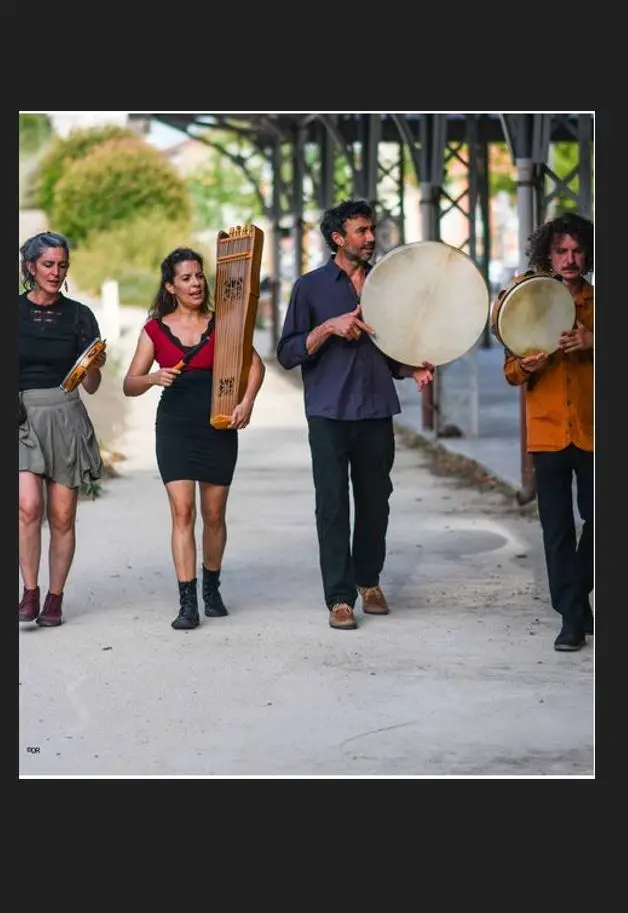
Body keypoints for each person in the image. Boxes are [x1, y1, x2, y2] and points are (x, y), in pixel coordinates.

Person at [276, 199, 434, 630]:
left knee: (375, 502)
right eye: (361, 231)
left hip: (377, 409)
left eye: (371, 230)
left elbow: (390, 352)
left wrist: (412, 369)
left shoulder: (387, 286)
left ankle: (369, 581)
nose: (370, 238)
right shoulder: (310, 287)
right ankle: (340, 598)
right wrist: (329, 327)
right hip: (327, 412)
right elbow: (287, 352)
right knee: (332, 505)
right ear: (337, 238)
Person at [122, 247, 266, 630]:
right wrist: (153, 377)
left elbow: (256, 365)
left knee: (214, 515)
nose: (196, 283)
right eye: (186, 278)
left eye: (199, 275)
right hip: (175, 426)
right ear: (171, 286)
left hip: (217, 422)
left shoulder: (225, 324)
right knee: (183, 512)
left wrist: (247, 402)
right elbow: (129, 384)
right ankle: (187, 602)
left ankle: (212, 586)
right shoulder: (154, 329)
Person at [498, 212, 593, 652]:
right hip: (548, 433)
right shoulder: (528, 303)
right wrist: (525, 364)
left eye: (577, 250)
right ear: (548, 256)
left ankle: (576, 594)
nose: (570, 259)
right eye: (561, 251)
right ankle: (571, 619)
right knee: (556, 531)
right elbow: (511, 374)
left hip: (595, 432)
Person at [19, 231, 107, 627]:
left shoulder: (80, 316)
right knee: (27, 507)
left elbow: (91, 385)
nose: (56, 272)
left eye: (62, 265)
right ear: (30, 267)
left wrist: (91, 369)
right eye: (48, 264)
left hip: (66, 413)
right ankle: (29, 591)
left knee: (62, 515)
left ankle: (54, 598)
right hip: (20, 415)